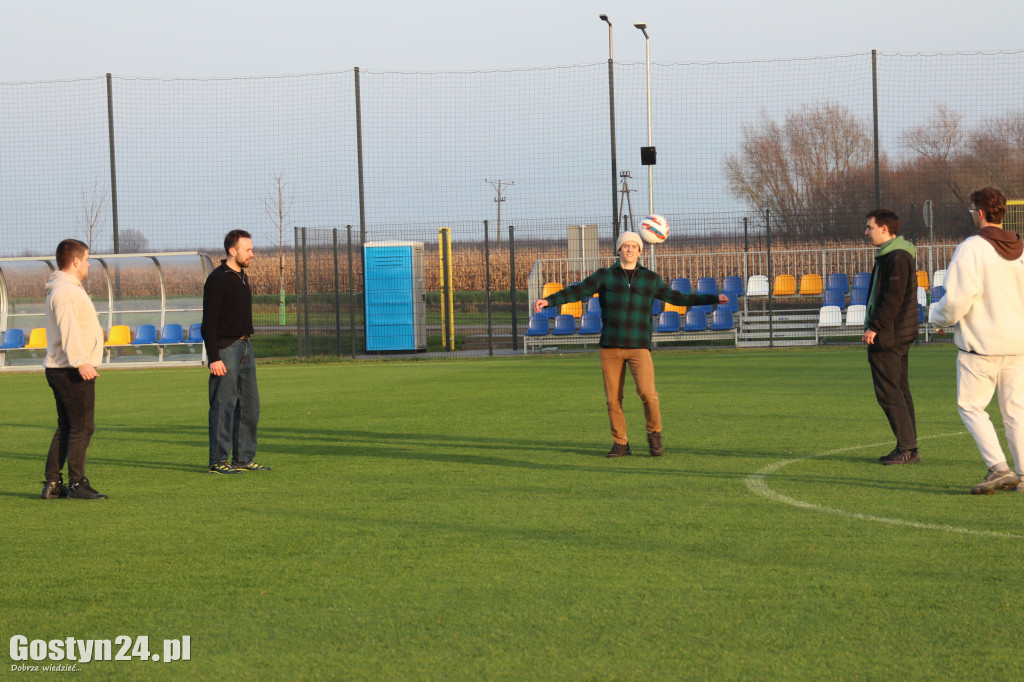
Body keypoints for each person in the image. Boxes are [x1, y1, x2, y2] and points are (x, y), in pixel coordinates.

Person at [533, 231, 726, 458]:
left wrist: (713, 298)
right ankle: (621, 443)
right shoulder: (606, 275)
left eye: (634, 246)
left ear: (640, 251)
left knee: (648, 392)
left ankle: (654, 434)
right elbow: (578, 290)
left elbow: (678, 298)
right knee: (613, 399)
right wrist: (550, 300)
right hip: (611, 346)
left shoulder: (650, 278)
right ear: (619, 250)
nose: (630, 249)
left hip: (638, 346)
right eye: (626, 246)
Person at [930, 187, 1024, 494]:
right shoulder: (1020, 248)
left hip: (981, 346)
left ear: (979, 213)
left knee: (970, 407)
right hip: (1018, 344)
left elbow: (957, 299)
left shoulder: (972, 247)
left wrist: (940, 319)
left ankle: (998, 468)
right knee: (1016, 412)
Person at [42, 239, 107, 499]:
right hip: (71, 368)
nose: (90, 263)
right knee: (82, 427)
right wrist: (81, 361)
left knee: (68, 427)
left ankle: (53, 484)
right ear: (76, 261)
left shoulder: (64, 288)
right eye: (88, 259)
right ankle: (77, 484)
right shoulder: (66, 291)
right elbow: (69, 328)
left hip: (62, 367)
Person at [202, 229, 269, 474]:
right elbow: (208, 322)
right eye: (248, 249)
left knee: (250, 406)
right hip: (226, 349)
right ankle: (218, 461)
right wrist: (214, 357)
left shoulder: (242, 277)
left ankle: (244, 458)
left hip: (245, 347)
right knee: (223, 405)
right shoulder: (218, 279)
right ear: (233, 251)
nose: (252, 253)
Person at [862, 208, 920, 465]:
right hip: (898, 332)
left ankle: (906, 448)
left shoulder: (895, 256)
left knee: (889, 392)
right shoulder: (895, 254)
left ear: (884, 229)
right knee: (900, 390)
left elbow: (892, 298)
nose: (866, 232)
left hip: (890, 334)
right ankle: (909, 448)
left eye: (869, 227)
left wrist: (875, 326)